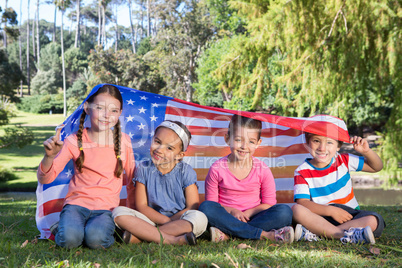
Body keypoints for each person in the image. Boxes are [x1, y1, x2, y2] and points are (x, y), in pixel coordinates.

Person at [37, 85, 135, 249]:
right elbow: (46, 178)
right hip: (76, 206)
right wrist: (49, 157)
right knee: (70, 241)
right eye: (100, 108)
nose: (106, 115)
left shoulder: (124, 141)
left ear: (120, 113)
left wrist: (130, 216)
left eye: (113, 110)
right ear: (87, 107)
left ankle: (98, 231)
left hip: (106, 209)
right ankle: (65, 228)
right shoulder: (73, 141)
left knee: (96, 240)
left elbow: (132, 180)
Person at [199, 114, 294, 243]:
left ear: (258, 143)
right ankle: (264, 235)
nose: (244, 146)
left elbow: (269, 204)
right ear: (227, 139)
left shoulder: (263, 169)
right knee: (206, 207)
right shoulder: (217, 168)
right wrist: (232, 211)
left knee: (284, 212)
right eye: (238, 140)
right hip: (226, 217)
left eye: (251, 142)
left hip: (255, 217)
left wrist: (249, 213)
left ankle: (229, 235)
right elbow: (212, 203)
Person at [292, 116, 385, 244]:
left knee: (374, 220)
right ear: (308, 143)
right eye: (316, 141)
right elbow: (303, 203)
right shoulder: (302, 171)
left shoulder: (344, 160)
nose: (322, 148)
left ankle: (319, 234)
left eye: (329, 142)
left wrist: (367, 151)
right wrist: (330, 211)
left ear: (338, 146)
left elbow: (377, 167)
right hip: (321, 216)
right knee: (296, 210)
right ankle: (344, 235)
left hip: (349, 216)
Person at [113, 120, 207, 245]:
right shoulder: (143, 169)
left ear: (179, 155)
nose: (160, 150)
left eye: (169, 148)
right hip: (149, 220)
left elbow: (192, 206)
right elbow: (142, 206)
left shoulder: (186, 171)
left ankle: (141, 237)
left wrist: (172, 221)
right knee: (118, 213)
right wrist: (166, 221)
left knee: (199, 218)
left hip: (179, 220)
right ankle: (172, 239)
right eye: (157, 142)